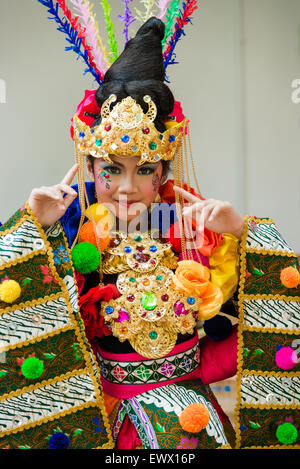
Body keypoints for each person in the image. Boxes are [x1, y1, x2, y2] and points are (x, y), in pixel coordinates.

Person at [0, 14, 299, 451]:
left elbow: (262, 325)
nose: (126, 187)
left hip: (190, 423)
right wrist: (32, 225)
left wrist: (243, 233)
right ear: (88, 167)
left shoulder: (195, 231)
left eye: (143, 170)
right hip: (101, 422)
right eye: (110, 170)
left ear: (163, 170)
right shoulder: (67, 234)